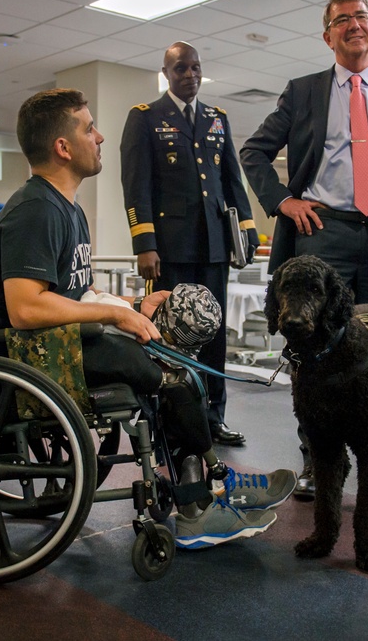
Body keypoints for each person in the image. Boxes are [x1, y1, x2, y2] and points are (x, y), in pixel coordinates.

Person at [0, 88, 295, 551]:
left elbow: (74, 292)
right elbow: (26, 307)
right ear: (63, 147)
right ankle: (197, 506)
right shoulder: (35, 209)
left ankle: (213, 483)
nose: (99, 136)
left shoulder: (67, 208)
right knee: (167, 373)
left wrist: (128, 306)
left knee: (172, 363)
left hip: (54, 345)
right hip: (22, 357)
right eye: (88, 128)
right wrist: (113, 317)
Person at [240, 0, 368, 498]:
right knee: (312, 348)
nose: (354, 25)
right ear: (328, 36)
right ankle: (316, 458)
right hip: (325, 230)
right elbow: (254, 151)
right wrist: (283, 201)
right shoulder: (304, 91)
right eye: (342, 20)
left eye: (361, 16)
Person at [121, 42, 260, 448]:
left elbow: (232, 179)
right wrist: (144, 243)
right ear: (166, 73)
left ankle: (214, 417)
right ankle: (168, 420)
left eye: (196, 67)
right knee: (167, 335)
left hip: (213, 247)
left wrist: (247, 229)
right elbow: (136, 185)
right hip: (168, 251)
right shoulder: (146, 118)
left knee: (214, 334)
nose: (190, 75)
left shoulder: (217, 119)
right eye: (181, 68)